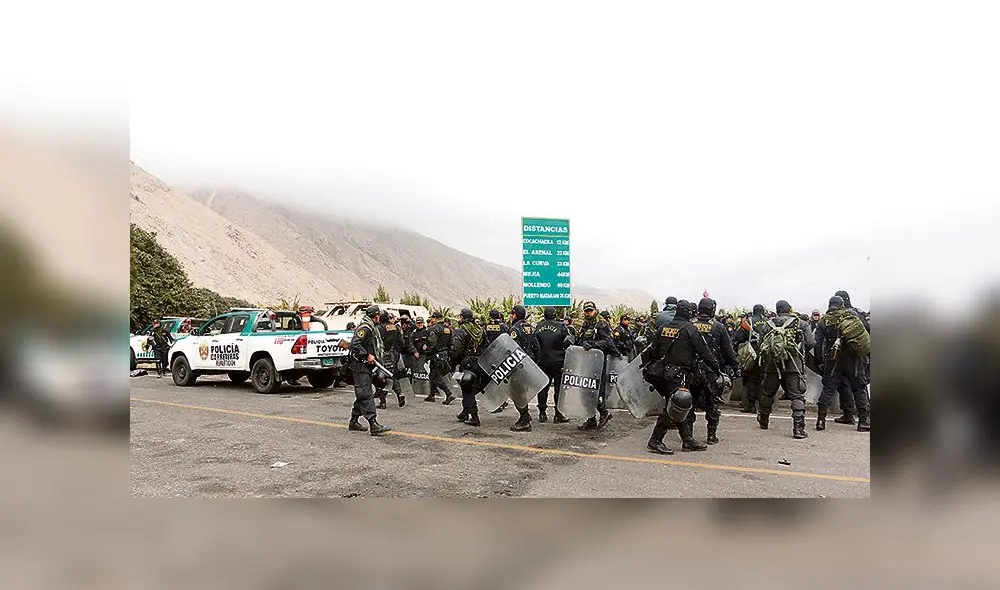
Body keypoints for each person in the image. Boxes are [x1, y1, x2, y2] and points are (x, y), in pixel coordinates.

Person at [641, 299, 723, 454]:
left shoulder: (663, 328)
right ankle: (655, 440)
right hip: (679, 375)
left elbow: (653, 351)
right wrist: (717, 369)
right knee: (675, 406)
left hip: (662, 374)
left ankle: (687, 440)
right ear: (689, 312)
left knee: (680, 406)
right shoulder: (690, 329)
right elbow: (705, 352)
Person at [756, 300, 816, 439]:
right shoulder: (800, 323)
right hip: (793, 365)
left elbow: (761, 344)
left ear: (777, 310)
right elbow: (811, 342)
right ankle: (798, 429)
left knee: (768, 393)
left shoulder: (768, 324)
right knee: (797, 395)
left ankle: (764, 420)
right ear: (789, 309)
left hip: (773, 365)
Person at [814, 295, 871, 432]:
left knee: (828, 389)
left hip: (833, 360)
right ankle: (863, 421)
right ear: (842, 305)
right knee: (859, 389)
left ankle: (821, 420)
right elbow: (866, 333)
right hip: (855, 360)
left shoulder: (824, 321)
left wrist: (820, 361)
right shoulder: (853, 316)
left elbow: (817, 345)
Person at [691, 298, 739, 444]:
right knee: (712, 403)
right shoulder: (719, 327)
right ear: (712, 310)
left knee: (689, 403)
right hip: (711, 371)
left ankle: (688, 436)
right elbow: (728, 351)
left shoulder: (689, 325)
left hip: (691, 371)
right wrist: (736, 367)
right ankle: (711, 436)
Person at [347, 305, 391, 435]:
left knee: (362, 394)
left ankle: (354, 421)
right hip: (360, 366)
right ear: (376, 316)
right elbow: (355, 343)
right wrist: (367, 354)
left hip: (367, 366)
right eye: (378, 316)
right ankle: (373, 423)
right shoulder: (365, 328)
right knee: (366, 394)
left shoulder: (372, 328)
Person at [575, 301, 616, 430]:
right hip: (585, 363)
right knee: (584, 391)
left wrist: (594, 345)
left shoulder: (601, 324)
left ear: (596, 311)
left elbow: (608, 342)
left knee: (595, 390)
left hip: (597, 364)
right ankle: (591, 418)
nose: (588, 313)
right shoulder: (585, 325)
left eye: (590, 310)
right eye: (586, 311)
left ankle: (604, 412)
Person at [532, 306, 572, 424]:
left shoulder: (538, 326)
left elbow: (534, 344)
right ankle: (558, 414)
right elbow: (569, 341)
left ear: (544, 315)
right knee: (559, 389)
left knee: (543, 387)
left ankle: (542, 414)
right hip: (558, 361)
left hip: (542, 361)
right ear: (555, 314)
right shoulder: (562, 326)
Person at [450, 308, 489, 427]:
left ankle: (474, 417)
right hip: (480, 363)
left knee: (467, 390)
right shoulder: (480, 329)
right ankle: (464, 412)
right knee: (469, 388)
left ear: (462, 317)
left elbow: (456, 350)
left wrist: (453, 362)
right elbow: (487, 345)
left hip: (467, 363)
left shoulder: (462, 330)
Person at [732, 304, 768, 414]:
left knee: (750, 380)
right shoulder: (768, 322)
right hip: (765, 354)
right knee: (761, 379)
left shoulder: (748, 322)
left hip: (751, 354)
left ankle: (750, 405)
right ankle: (762, 406)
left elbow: (738, 337)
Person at [506, 304, 538, 425]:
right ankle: (525, 415)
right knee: (522, 391)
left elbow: (512, 348)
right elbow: (536, 346)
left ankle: (524, 418)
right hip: (528, 363)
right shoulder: (529, 327)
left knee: (516, 392)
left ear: (515, 314)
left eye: (512, 314)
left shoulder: (515, 328)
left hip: (518, 365)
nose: (511, 316)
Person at [426, 311, 457, 405]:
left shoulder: (434, 329)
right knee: (434, 373)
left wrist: (427, 351)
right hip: (444, 354)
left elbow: (433, 344)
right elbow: (451, 343)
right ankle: (431, 395)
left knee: (434, 375)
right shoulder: (448, 329)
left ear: (435, 318)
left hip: (436, 354)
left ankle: (448, 393)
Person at [375, 312, 406, 408]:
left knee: (380, 377)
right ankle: (399, 393)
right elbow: (402, 343)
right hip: (393, 354)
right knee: (392, 375)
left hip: (383, 354)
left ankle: (382, 401)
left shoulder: (379, 328)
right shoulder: (395, 327)